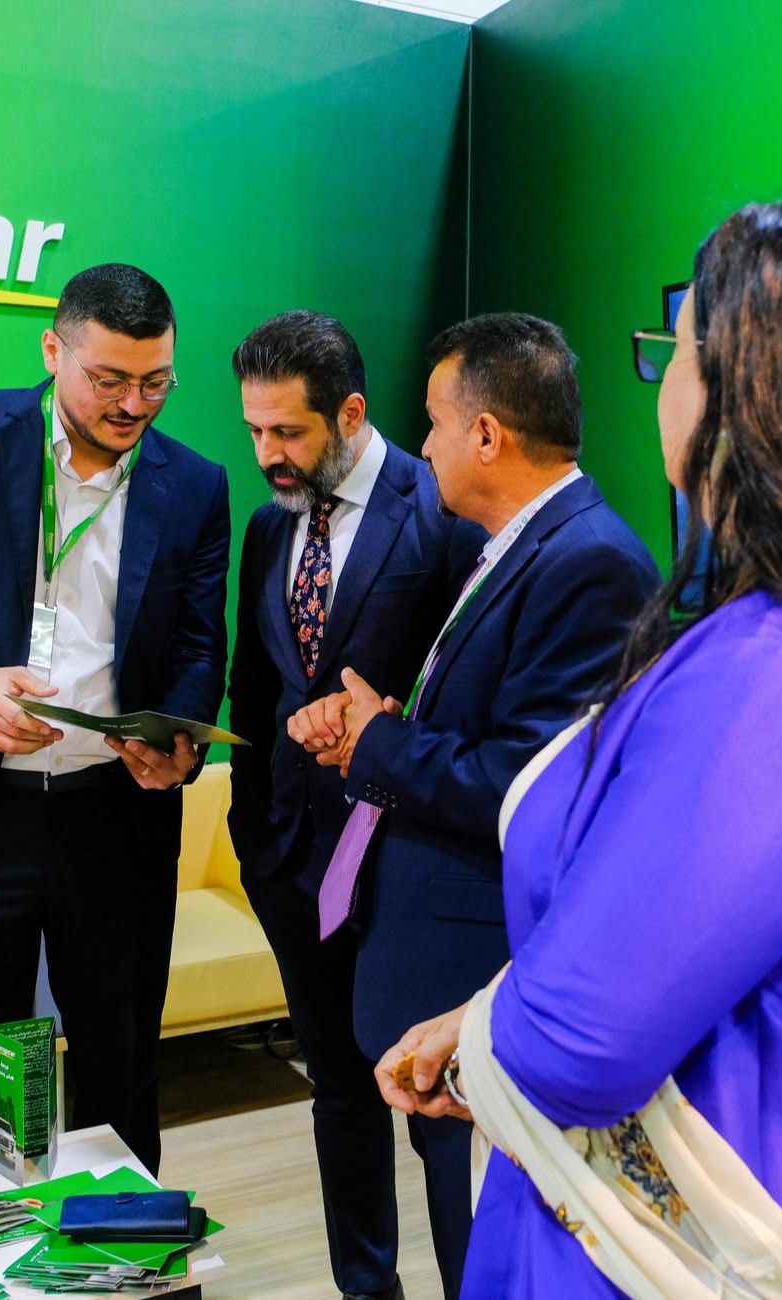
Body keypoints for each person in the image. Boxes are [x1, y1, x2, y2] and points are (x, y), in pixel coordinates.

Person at [372, 202, 782, 1300]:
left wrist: (495, 1035)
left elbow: (575, 1046)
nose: (662, 382)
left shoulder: (779, 672)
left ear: (749, 393)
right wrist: (482, 1023)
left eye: (674, 349)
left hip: (720, 1232)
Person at [289, 313, 659, 1300]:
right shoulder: (516, 545)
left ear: (487, 434)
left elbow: (525, 785)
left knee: (483, 1252)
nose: (425, 447)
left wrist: (375, 743)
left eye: (436, 423)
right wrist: (384, 723)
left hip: (484, 969)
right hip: (441, 965)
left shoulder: (588, 561)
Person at [0, 263, 230, 1173]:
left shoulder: (195, 483)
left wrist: (178, 738)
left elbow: (198, 646)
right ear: (53, 350)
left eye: (157, 382)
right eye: (109, 380)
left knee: (118, 1064)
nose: (133, 405)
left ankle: (117, 1243)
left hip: (116, 821)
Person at [225, 310, 486, 1300]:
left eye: (287, 431)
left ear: (349, 413)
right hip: (295, 864)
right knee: (337, 1091)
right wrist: (255, 836)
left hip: (406, 866)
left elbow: (466, 696)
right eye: (254, 430)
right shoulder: (268, 525)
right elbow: (256, 689)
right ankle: (365, 1290)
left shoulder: (442, 507)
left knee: (437, 1108)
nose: (268, 453)